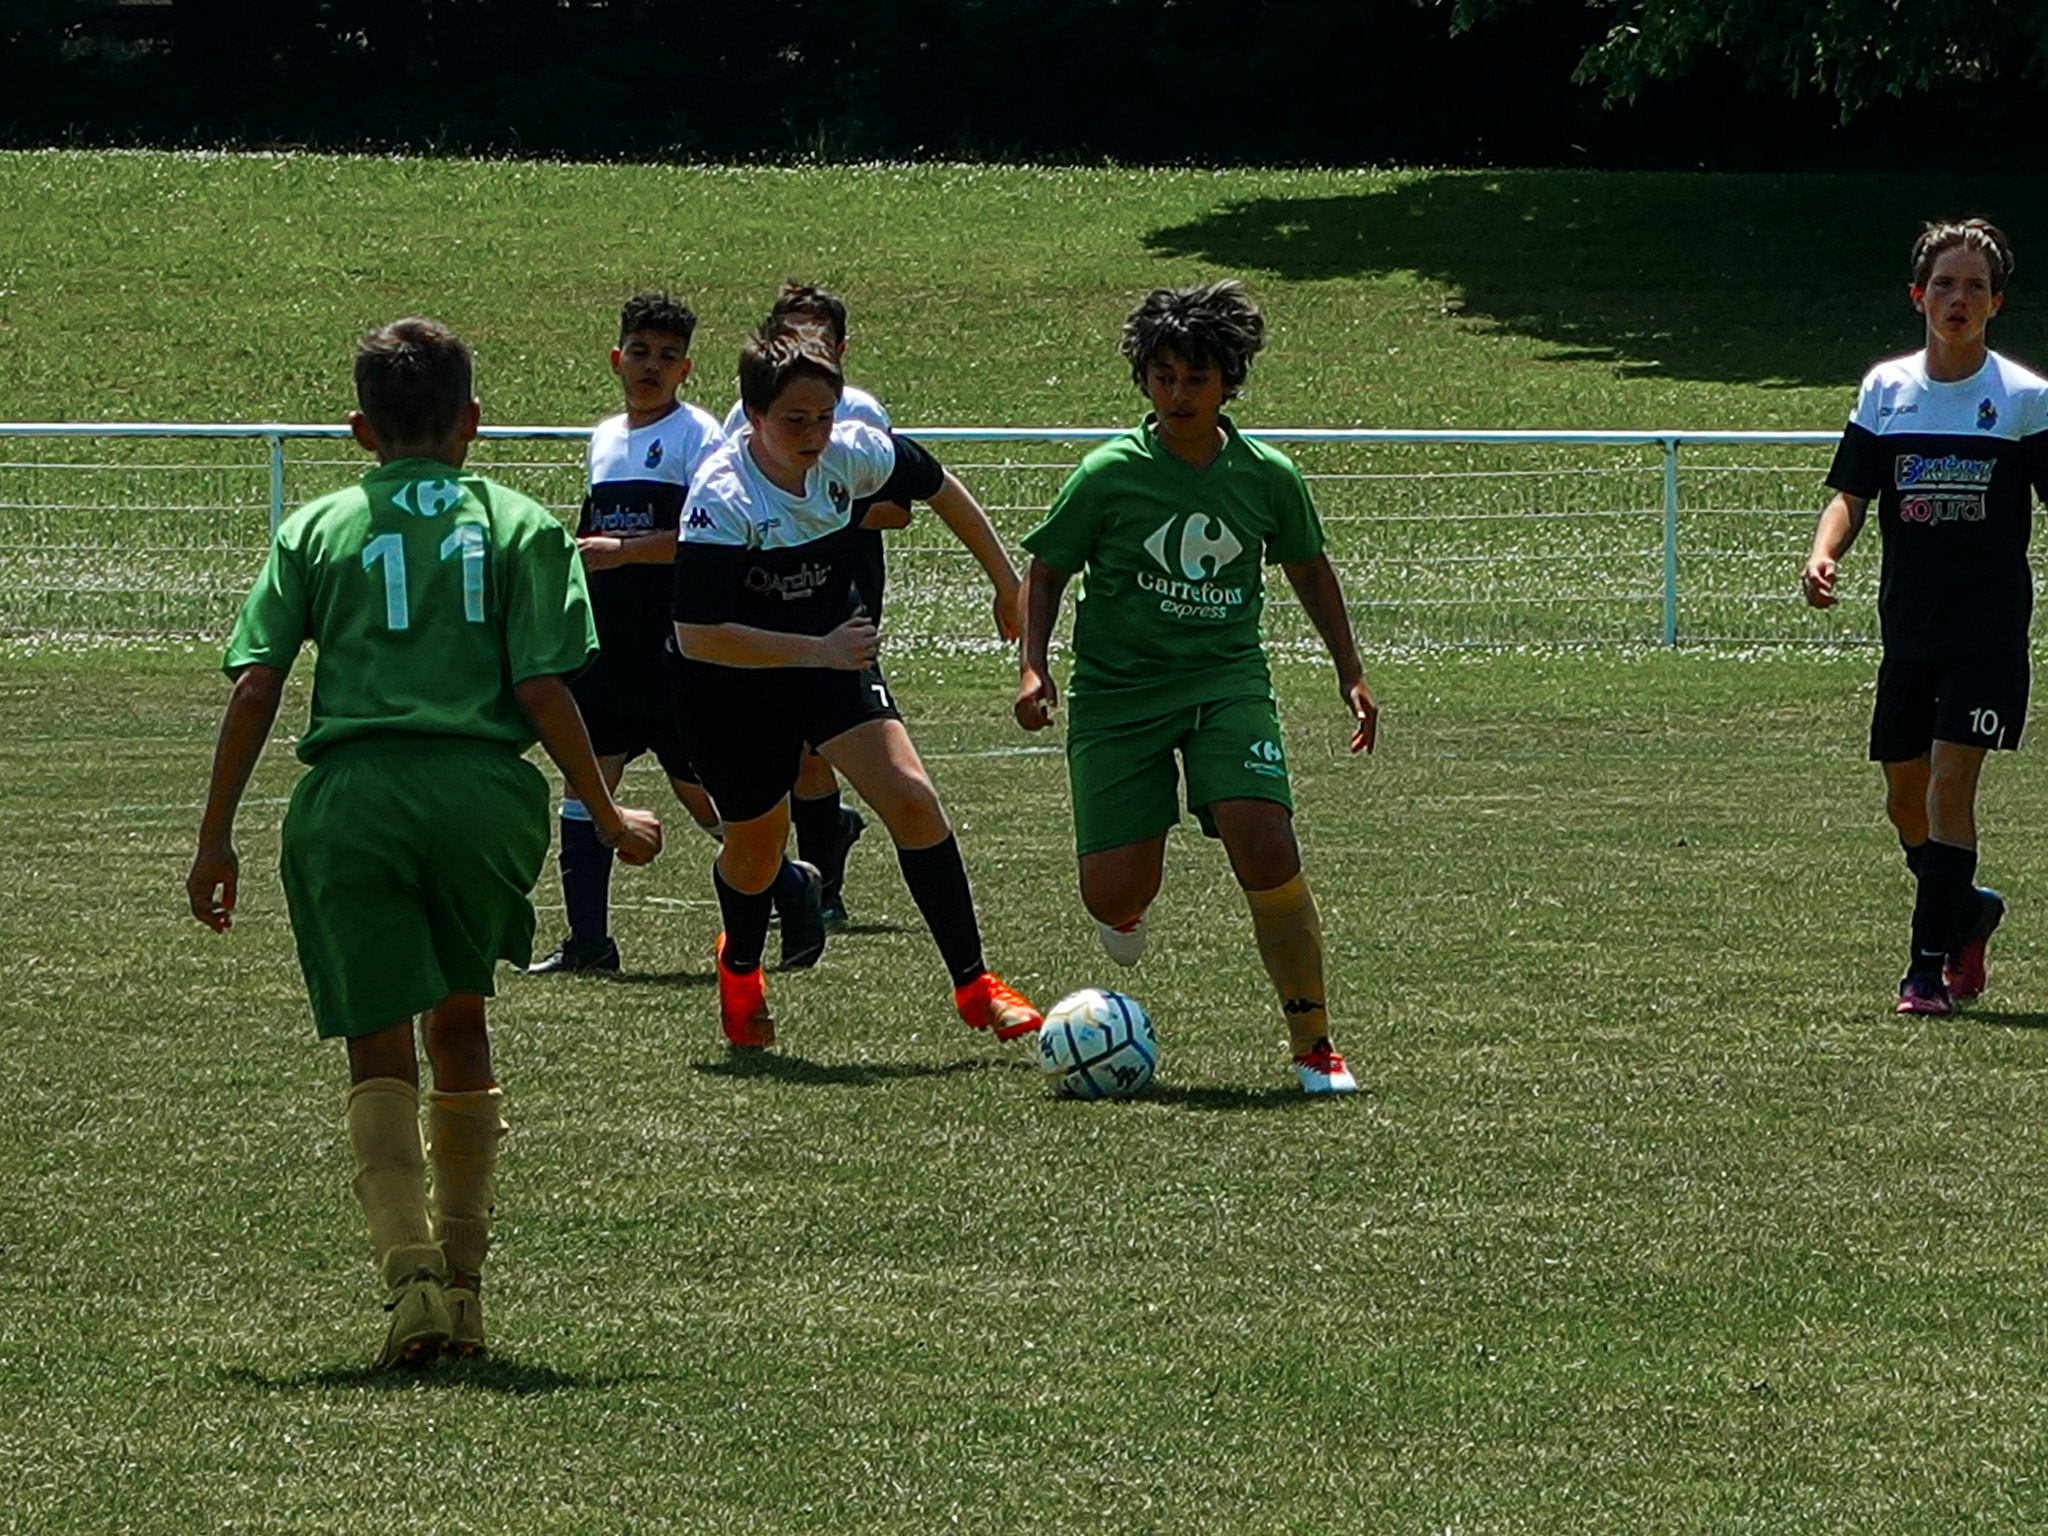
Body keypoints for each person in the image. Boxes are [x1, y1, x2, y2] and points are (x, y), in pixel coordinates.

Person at [184, 318, 662, 1368]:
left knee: (375, 1042)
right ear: (472, 424)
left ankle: (408, 1286)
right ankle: (468, 1284)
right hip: (482, 797)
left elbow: (258, 681)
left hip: (352, 799)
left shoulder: (314, 527)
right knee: (460, 1024)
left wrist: (214, 837)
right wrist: (606, 807)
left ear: (360, 430)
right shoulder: (524, 525)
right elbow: (542, 685)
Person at [1013, 280, 1377, 1094]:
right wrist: (1034, 664)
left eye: (1197, 379)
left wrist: (1349, 671)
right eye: (1164, 376)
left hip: (1224, 682)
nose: (1178, 394)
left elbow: (1309, 568)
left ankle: (1315, 1046)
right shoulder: (1107, 474)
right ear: (1145, 378)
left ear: (1228, 383)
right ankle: (1131, 899)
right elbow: (1048, 569)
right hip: (1116, 694)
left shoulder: (1266, 476)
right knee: (1112, 894)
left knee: (1266, 842)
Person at [674, 321, 1038, 1050]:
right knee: (756, 851)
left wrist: (1007, 583)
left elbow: (939, 486)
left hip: (831, 659)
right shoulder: (720, 498)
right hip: (732, 682)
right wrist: (815, 648)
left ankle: (975, 984)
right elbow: (698, 636)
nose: (812, 433)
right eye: (793, 419)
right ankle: (740, 970)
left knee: (912, 797)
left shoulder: (853, 453)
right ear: (753, 418)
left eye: (823, 415)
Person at [530, 291, 825, 977]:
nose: (650, 366)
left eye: (667, 357)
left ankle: (791, 885)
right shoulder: (604, 438)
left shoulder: (698, 438)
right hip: (607, 648)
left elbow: (707, 541)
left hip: (676, 651)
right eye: (639, 352)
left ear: (686, 370)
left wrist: (625, 552)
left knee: (707, 806)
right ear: (616, 358)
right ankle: (589, 944)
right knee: (584, 784)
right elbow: (592, 535)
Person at [1802, 218, 2048, 1015]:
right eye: (1944, 283)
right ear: (1918, 296)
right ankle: (1969, 907)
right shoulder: (1887, 389)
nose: (1958, 297)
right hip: (1909, 630)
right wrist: (1824, 552)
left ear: (1995, 303)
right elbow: (1851, 493)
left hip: (1987, 632)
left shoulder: (2024, 400)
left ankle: (1925, 968)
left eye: (1974, 285)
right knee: (1904, 798)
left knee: (1950, 785)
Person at [721, 281, 1022, 927]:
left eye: (818, 339)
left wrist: (818, 497)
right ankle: (818, 856)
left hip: (842, 592)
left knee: (815, 748)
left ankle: (822, 886)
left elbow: (896, 509)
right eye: (791, 337)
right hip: (766, 601)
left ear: (841, 349)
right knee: (793, 755)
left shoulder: (855, 413)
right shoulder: (743, 417)